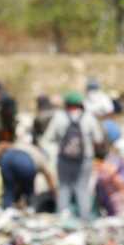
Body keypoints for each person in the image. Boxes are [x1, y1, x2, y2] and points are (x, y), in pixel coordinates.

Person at [41, 91, 100, 219]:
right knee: (82, 189)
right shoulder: (89, 117)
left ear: (66, 104)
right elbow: (99, 139)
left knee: (64, 188)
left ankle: (63, 220)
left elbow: (46, 139)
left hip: (64, 159)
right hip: (85, 159)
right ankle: (85, 220)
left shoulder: (59, 117)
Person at [0, 129, 53, 210]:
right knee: (29, 192)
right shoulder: (42, 157)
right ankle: (30, 208)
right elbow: (49, 176)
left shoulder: (26, 145)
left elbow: (3, 145)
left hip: (7, 159)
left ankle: (6, 209)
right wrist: (53, 193)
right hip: (25, 163)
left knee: (8, 189)